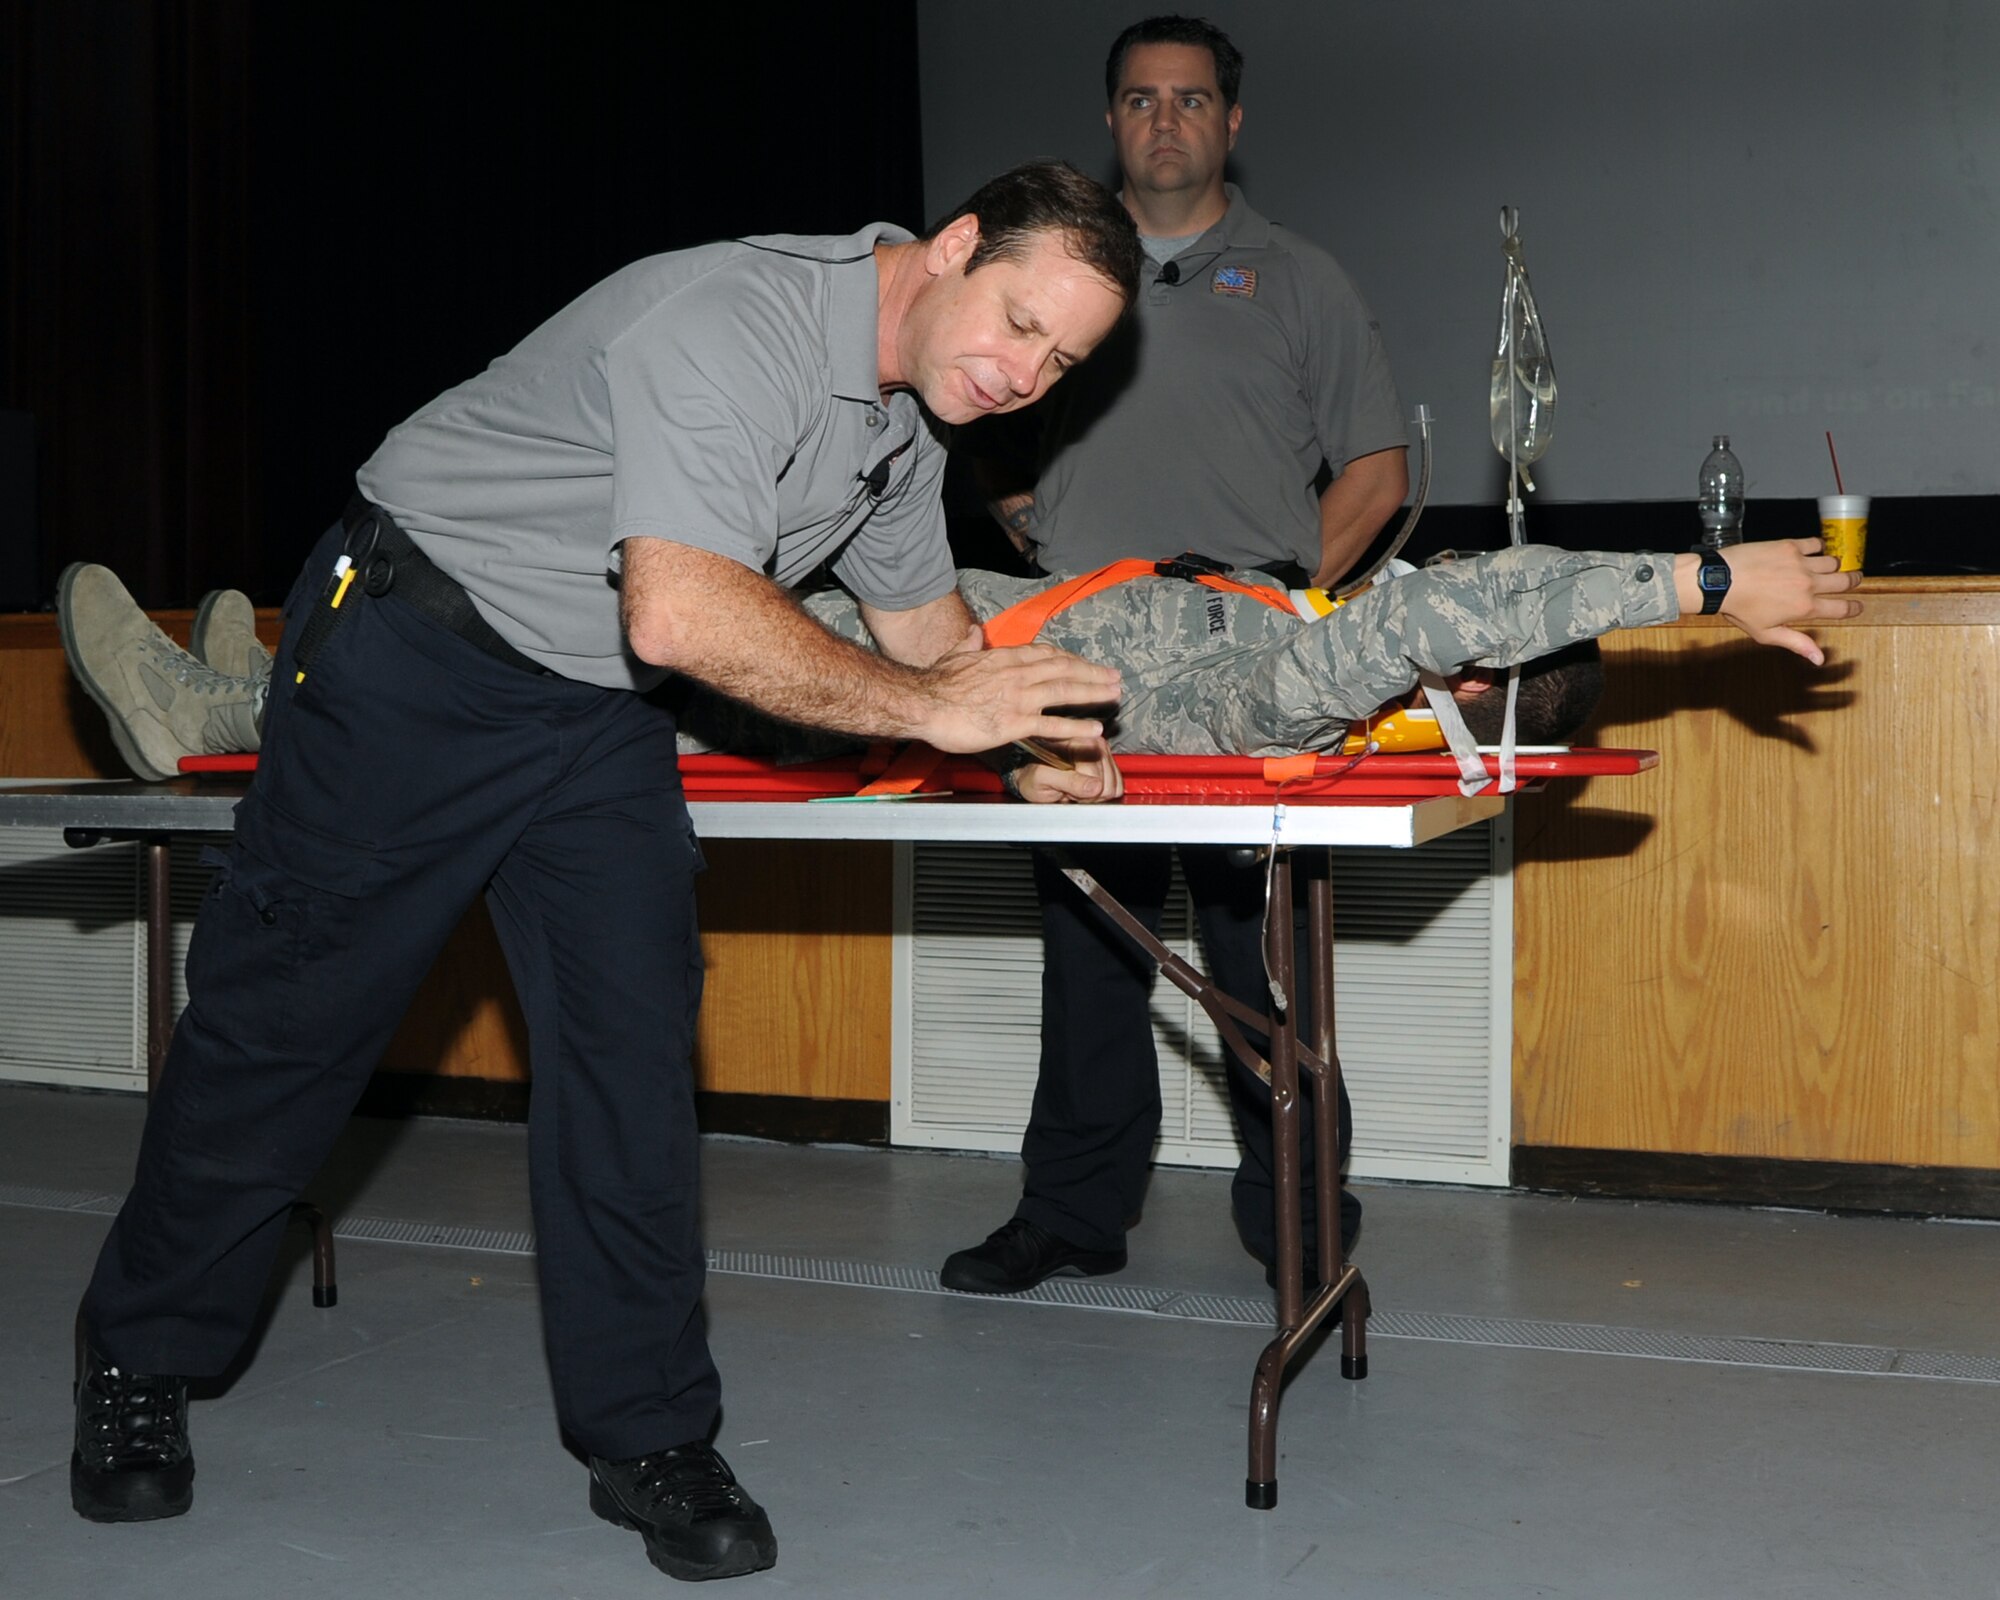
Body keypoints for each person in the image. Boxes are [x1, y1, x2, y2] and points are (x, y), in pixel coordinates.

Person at [58, 160, 1142, 1584]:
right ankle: (140, 1358)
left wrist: (1026, 743)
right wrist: (944, 714)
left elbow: (926, 632)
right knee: (286, 1036)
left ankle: (645, 1435)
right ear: (947, 250)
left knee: (632, 1050)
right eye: (1018, 323)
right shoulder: (733, 322)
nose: (1025, 376)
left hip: (589, 713)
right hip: (414, 652)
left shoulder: (904, 430)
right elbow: (685, 608)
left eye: (1062, 360)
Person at [944, 14, 1412, 1295]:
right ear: (1109, 120)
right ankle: (1073, 1212)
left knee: (1259, 953)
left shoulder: (1299, 278)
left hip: (1239, 670)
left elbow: (1377, 470)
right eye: (1140, 99)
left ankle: (1297, 1211)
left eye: (1191, 100)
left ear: (1231, 123)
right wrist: (1042, 539)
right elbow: (979, 415)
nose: (1165, 120)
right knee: (1088, 942)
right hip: (1081, 666)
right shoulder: (1053, 278)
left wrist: (1276, 615)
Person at [69, 539, 1852, 773]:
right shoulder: (1311, 639)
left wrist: (1694, 577)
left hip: (866, 673)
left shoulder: (1319, 679)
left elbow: (1455, 605)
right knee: (530, 597)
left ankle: (210, 703)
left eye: (1471, 625)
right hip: (918, 619)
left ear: (1468, 682)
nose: (1448, 588)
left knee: (544, 648)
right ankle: (268, 659)